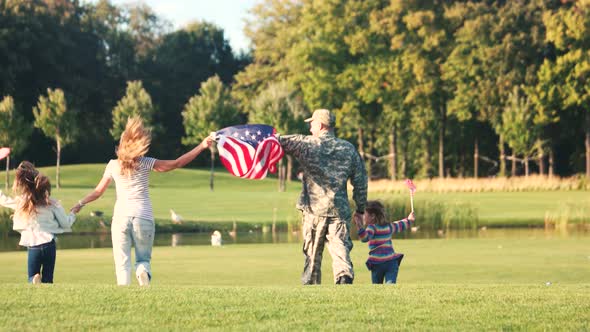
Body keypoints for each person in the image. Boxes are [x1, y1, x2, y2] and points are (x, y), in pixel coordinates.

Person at [71, 116, 213, 286]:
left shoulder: (112, 165)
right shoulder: (147, 163)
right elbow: (177, 163)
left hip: (121, 218)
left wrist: (80, 204)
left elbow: (98, 192)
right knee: (143, 259)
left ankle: (124, 291)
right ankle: (142, 271)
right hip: (143, 217)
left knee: (122, 263)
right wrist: (202, 145)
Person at [277, 109, 367, 285]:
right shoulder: (348, 149)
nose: (310, 128)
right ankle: (343, 278)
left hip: (313, 211)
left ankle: (311, 286)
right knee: (340, 250)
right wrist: (361, 208)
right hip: (339, 211)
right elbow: (361, 181)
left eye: (312, 124)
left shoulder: (306, 144)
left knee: (312, 256)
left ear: (320, 125)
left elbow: (276, 141)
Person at [0, 161, 76, 284]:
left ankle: (35, 279)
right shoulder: (51, 203)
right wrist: (73, 214)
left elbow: (3, 200)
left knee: (32, 276)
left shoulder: (22, 202)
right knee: (48, 279)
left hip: (33, 246)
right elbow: (66, 224)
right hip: (49, 244)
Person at [354, 200, 415, 284]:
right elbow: (400, 225)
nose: (363, 216)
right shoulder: (388, 226)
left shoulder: (372, 228)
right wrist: (409, 220)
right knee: (389, 286)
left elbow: (365, 238)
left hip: (378, 264)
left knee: (377, 287)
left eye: (365, 214)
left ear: (372, 216)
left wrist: (359, 226)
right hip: (390, 263)